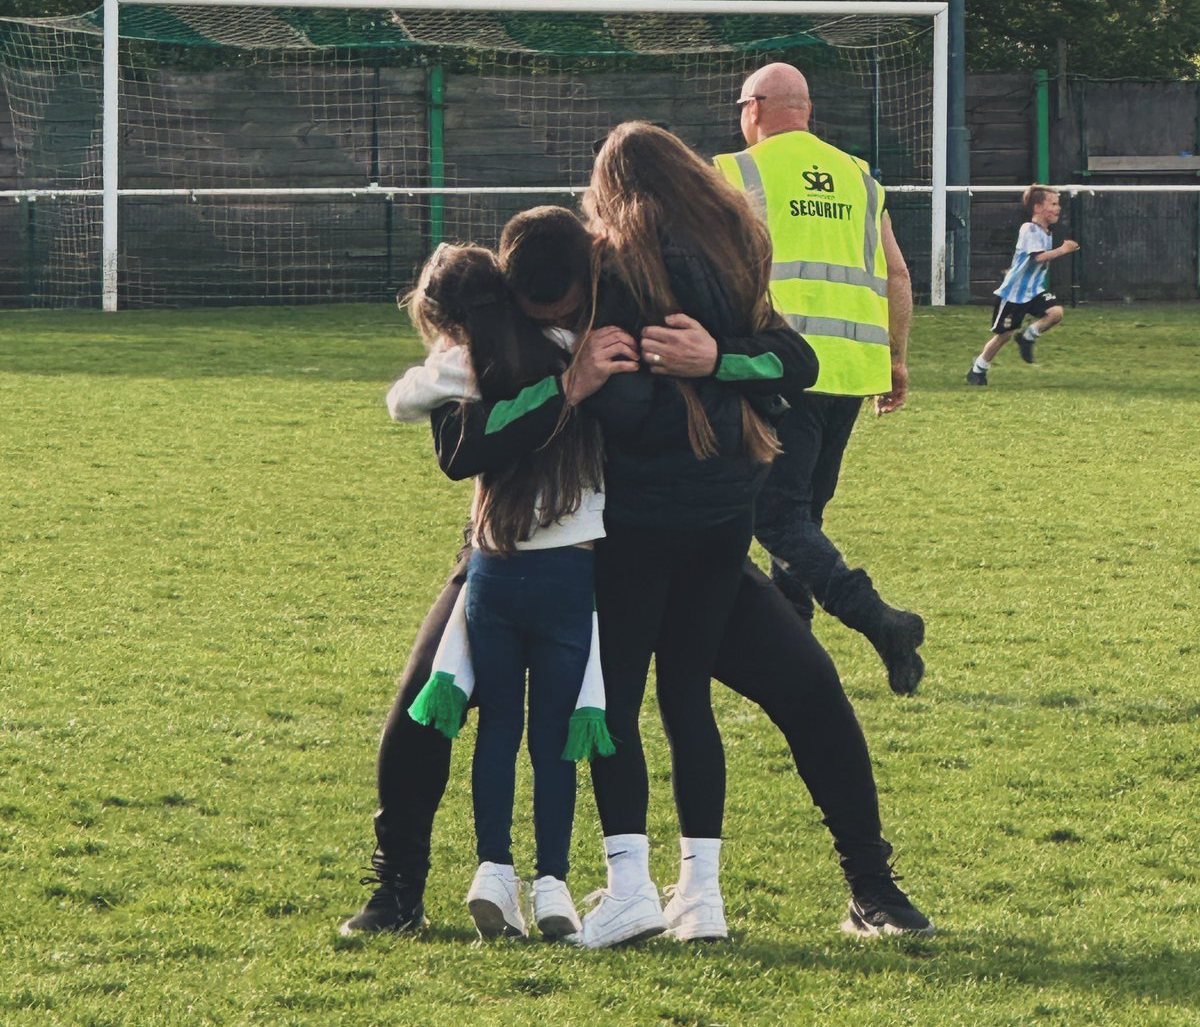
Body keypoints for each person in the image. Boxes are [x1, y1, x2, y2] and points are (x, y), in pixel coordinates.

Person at [339, 202, 932, 944]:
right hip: (532, 550)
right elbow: (459, 447)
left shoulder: (645, 292)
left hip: (664, 545)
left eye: (569, 306)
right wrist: (569, 383)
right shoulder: (492, 328)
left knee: (808, 685)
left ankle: (873, 889)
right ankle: (396, 890)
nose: (560, 318)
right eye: (542, 310)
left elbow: (790, 358)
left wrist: (715, 356)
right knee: (426, 702)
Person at [572, 121, 815, 948]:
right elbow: (796, 362)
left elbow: (626, 406)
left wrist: (598, 382)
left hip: (636, 515)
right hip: (726, 506)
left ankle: (629, 887)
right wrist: (722, 363)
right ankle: (701, 895)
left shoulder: (613, 263)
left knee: (613, 700)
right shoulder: (737, 243)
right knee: (687, 698)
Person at [380, 232, 614, 942]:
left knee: (492, 728)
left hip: (494, 561)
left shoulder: (467, 363)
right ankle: (556, 885)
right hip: (575, 564)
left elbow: (402, 402)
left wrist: (444, 361)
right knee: (558, 737)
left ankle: (481, 874)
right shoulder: (578, 345)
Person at [711, 62, 926, 697]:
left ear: (755, 107)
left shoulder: (735, 173)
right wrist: (896, 358)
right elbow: (897, 274)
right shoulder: (859, 176)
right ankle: (794, 649)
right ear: (805, 110)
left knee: (776, 517)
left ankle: (881, 622)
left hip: (780, 368)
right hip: (852, 370)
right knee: (803, 516)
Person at [965, 185, 1078, 385]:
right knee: (1004, 335)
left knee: (1055, 313)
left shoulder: (1046, 232)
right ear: (1038, 208)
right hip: (1014, 294)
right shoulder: (1028, 229)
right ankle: (978, 369)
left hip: (1033, 291)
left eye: (1058, 204)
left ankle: (1027, 336)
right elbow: (1038, 257)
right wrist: (1063, 249)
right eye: (1053, 204)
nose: (1058, 208)